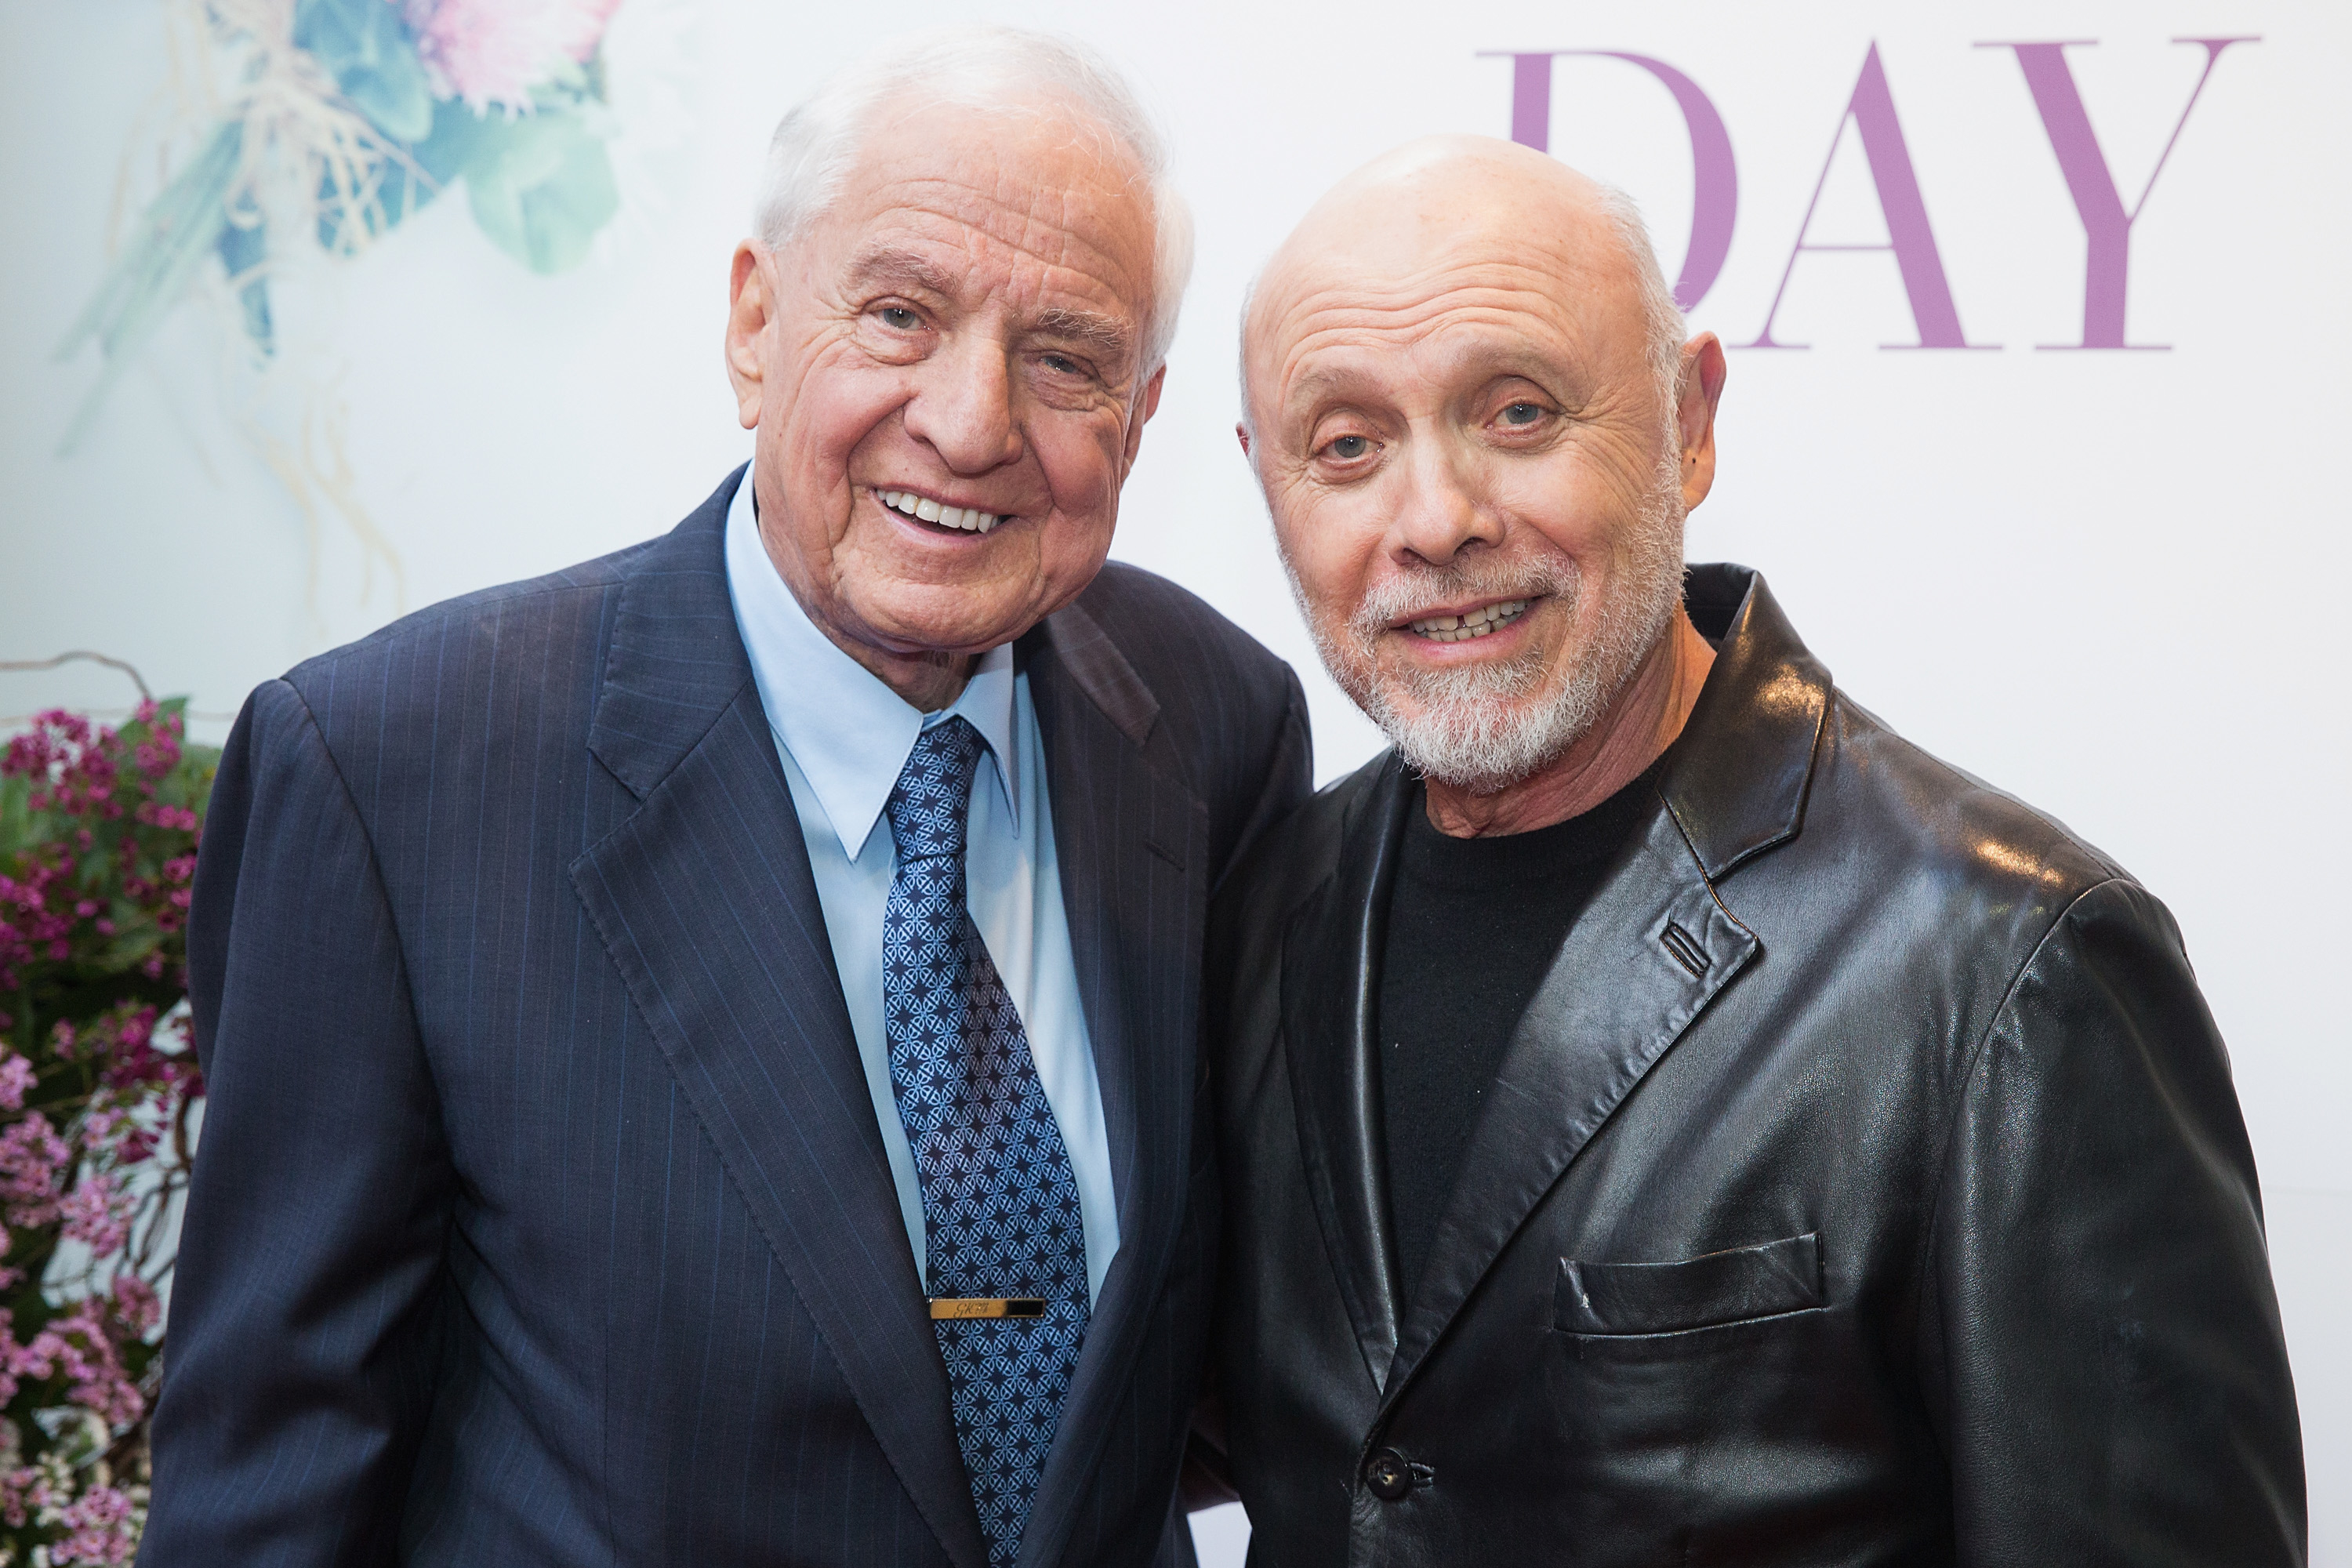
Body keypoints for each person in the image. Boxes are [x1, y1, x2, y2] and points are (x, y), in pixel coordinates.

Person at [143, 27, 1308, 1568]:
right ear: (756, 322)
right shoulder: (391, 772)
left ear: (1143, 416)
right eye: (899, 314)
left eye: (1065, 355)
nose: (970, 421)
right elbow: (270, 1494)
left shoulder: (1217, 720)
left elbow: (1216, 1352)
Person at [1200, 135, 2304, 1564]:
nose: (1433, 521)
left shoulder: (2008, 966)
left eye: (1520, 413)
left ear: (1689, 423)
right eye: (1346, 446)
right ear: (1266, 481)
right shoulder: (1262, 907)